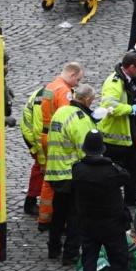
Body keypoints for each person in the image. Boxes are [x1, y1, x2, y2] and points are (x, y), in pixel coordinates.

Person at [73, 130, 136, 271]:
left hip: (87, 223)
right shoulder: (111, 171)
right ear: (102, 149)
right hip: (112, 225)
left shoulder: (78, 169)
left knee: (89, 260)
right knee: (119, 262)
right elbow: (126, 176)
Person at [44, 84, 99, 265]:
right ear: (85, 99)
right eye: (92, 100)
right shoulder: (80, 118)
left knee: (58, 214)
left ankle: (53, 248)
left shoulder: (62, 111)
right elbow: (86, 151)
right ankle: (71, 254)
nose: (93, 103)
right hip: (71, 174)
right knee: (75, 216)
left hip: (55, 173)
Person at [98, 52, 136, 206]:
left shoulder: (133, 79)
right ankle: (111, 200)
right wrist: (129, 109)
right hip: (114, 137)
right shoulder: (114, 83)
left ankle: (131, 197)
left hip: (130, 132)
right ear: (131, 67)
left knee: (134, 168)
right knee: (114, 171)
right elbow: (109, 105)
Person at [38, 62, 85, 230]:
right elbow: (67, 117)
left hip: (45, 134)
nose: (78, 83)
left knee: (48, 177)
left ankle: (44, 217)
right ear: (72, 75)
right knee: (59, 179)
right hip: (56, 138)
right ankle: (56, 218)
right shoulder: (64, 92)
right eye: (78, 79)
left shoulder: (51, 86)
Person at [19, 86, 47, 216]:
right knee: (39, 169)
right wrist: (42, 160)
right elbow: (37, 132)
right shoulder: (43, 99)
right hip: (32, 136)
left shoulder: (53, 92)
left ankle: (31, 200)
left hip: (33, 134)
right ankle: (30, 202)